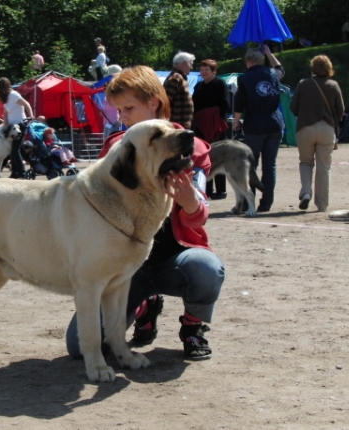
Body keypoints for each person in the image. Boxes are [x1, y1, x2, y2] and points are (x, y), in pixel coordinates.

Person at [66, 65, 225, 361]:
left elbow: (199, 214)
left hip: (175, 257)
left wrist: (189, 199)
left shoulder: (193, 146)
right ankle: (144, 305)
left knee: (206, 267)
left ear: (154, 102)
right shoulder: (116, 146)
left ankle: (193, 327)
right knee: (78, 347)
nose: (121, 116)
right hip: (125, 261)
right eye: (118, 110)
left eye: (128, 107)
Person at [233, 45, 285, 213]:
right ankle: (267, 202)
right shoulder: (272, 74)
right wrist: (269, 53)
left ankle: (250, 201)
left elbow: (239, 103)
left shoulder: (244, 78)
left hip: (254, 126)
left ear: (248, 62)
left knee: (250, 166)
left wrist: (236, 122)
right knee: (270, 166)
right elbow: (280, 69)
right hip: (274, 123)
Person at [290, 55, 345, 213]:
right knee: (324, 168)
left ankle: (306, 192)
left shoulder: (303, 84)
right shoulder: (333, 85)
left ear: (312, 67)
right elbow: (340, 111)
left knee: (306, 163)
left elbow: (293, 107)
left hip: (305, 128)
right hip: (326, 128)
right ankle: (321, 204)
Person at [192, 59, 230, 200]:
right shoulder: (199, 86)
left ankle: (221, 190)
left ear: (213, 71)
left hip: (217, 126)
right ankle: (207, 189)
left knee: (218, 156)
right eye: (202, 70)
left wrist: (217, 121)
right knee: (204, 156)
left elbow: (225, 105)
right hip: (202, 126)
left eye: (206, 70)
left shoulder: (220, 84)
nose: (203, 73)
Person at [0, 77, 33, 179]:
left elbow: (26, 104)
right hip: (12, 127)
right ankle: (15, 172)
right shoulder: (7, 98)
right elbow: (5, 113)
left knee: (15, 150)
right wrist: (5, 125)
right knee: (13, 150)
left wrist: (31, 115)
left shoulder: (14, 95)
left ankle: (21, 172)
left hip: (20, 125)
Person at [163, 51, 195, 129]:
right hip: (177, 125)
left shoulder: (180, 77)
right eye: (191, 64)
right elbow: (166, 102)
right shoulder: (176, 78)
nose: (192, 67)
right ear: (184, 63)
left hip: (181, 124)